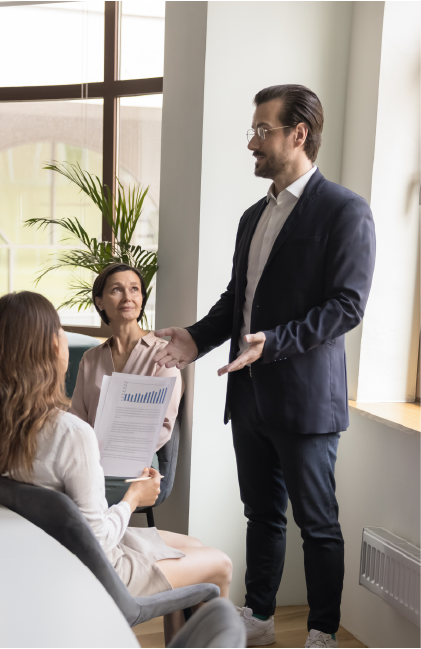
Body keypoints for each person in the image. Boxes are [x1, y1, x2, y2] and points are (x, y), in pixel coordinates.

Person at [154, 85, 376, 648]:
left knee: (318, 524)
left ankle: (323, 630)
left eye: (262, 130)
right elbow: (238, 301)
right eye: (254, 130)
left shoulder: (345, 210)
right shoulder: (254, 215)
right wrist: (195, 339)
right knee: (263, 517)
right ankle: (259, 615)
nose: (252, 142)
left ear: (297, 134)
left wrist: (273, 342)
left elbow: (346, 306)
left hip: (305, 401)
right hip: (248, 395)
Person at [0, 291, 232, 643]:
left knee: (193, 544)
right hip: (99, 566)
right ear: (44, 349)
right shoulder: (70, 433)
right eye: (57, 330)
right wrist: (133, 498)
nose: (63, 339)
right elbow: (99, 538)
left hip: (49, 557)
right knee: (220, 565)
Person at [69, 263, 182, 505]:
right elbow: (77, 419)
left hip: (136, 468)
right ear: (99, 301)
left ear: (142, 297)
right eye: (116, 290)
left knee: (69, 500)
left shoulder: (164, 355)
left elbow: (163, 427)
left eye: (134, 289)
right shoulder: (91, 359)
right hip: (89, 462)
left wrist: (113, 452)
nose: (128, 297)